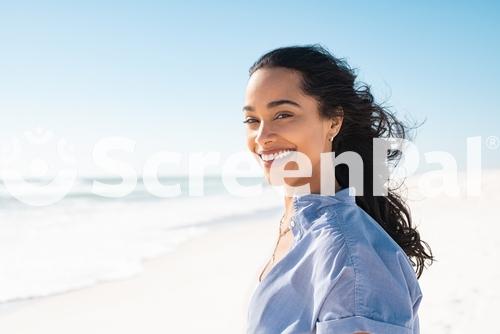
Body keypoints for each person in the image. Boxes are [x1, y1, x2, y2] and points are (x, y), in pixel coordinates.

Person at [243, 45, 433, 333]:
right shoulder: (298, 222)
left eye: (283, 114)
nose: (262, 136)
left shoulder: (349, 256)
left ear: (333, 121)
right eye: (252, 120)